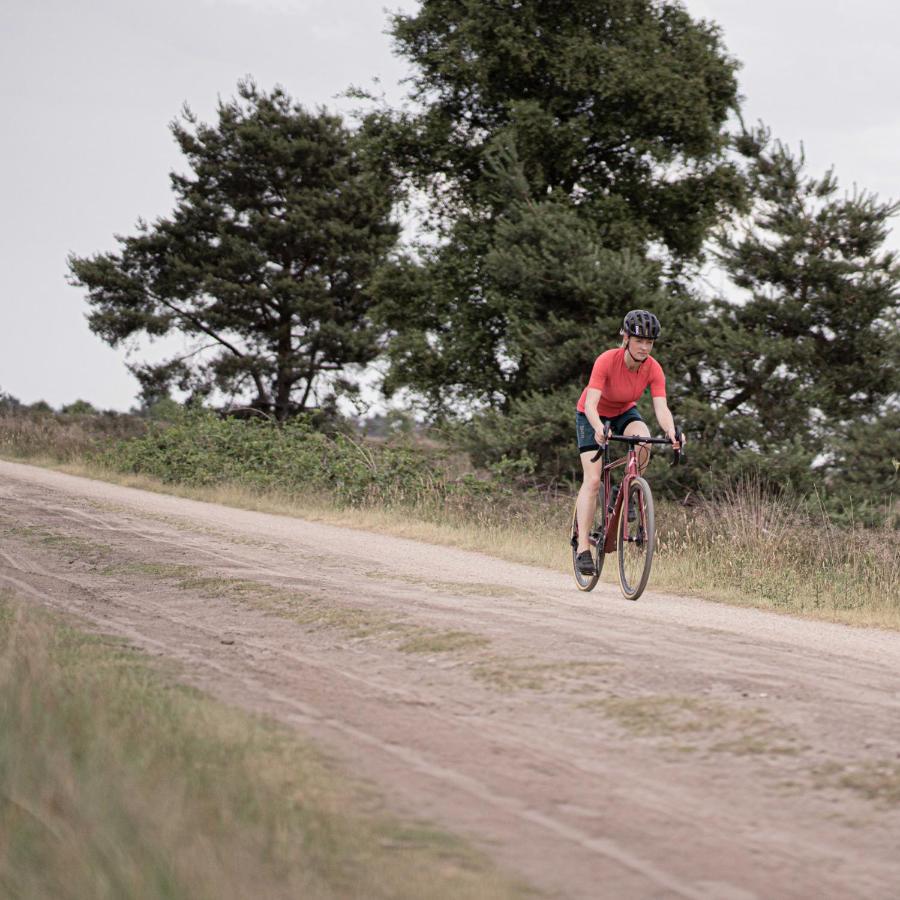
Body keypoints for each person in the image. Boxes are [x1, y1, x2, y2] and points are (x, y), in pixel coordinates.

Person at [574, 309, 682, 576]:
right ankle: (583, 547)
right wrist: (599, 428)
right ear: (626, 338)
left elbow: (661, 407)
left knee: (644, 440)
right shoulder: (607, 360)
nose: (645, 347)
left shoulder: (653, 368)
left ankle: (629, 488)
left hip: (623, 411)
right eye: (639, 340)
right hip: (592, 415)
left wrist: (671, 432)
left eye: (649, 342)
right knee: (593, 479)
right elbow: (590, 403)